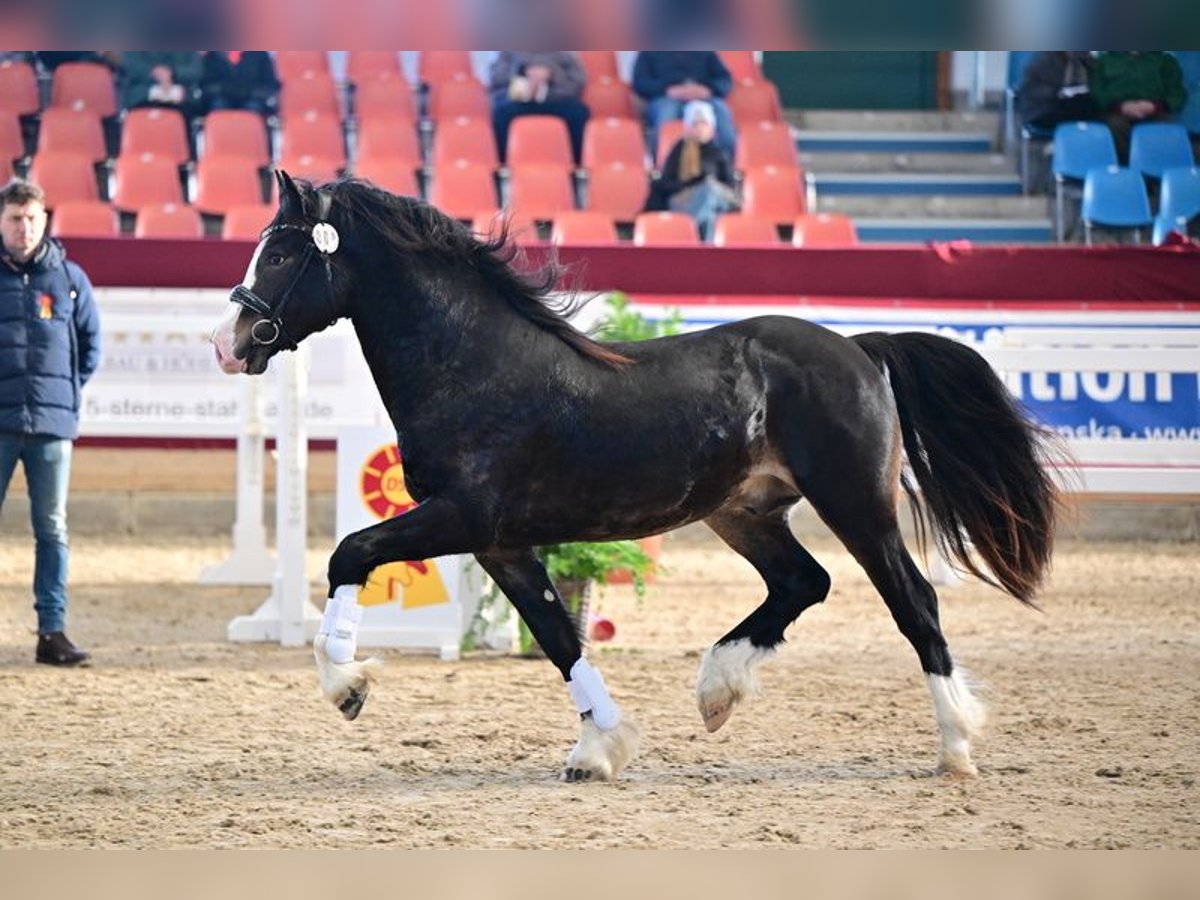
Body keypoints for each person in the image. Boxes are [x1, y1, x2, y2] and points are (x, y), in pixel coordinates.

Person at [0, 179, 101, 667]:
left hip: (51, 425)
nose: (24, 228)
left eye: (32, 219)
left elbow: (90, 348)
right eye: (15, 219)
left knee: (52, 529)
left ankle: (51, 633)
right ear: (2, 222)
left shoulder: (71, 280)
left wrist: (63, 397)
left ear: (45, 222)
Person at [645, 100, 738, 242]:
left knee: (710, 198)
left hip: (714, 200)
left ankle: (696, 239)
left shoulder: (718, 153)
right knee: (708, 213)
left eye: (704, 124)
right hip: (683, 201)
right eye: (695, 124)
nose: (700, 128)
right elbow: (665, 182)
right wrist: (689, 188)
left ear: (712, 128)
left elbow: (729, 187)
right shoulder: (679, 149)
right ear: (688, 127)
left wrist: (708, 186)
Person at [488, 51, 591, 165]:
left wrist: (550, 75)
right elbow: (496, 78)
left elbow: (577, 81)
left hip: (554, 99)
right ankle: (502, 167)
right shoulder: (507, 52)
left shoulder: (564, 53)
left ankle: (577, 167)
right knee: (501, 112)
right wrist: (524, 73)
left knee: (578, 112)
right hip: (519, 99)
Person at [632, 51, 737, 162]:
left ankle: (727, 164)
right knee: (666, 112)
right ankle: (663, 165)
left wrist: (708, 90)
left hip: (703, 97)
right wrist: (667, 90)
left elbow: (725, 80)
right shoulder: (648, 52)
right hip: (666, 98)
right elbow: (640, 83)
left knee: (721, 111)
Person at [1090, 51, 1188, 163]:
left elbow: (1177, 93)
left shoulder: (1165, 60)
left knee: (1166, 125)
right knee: (1115, 125)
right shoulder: (1105, 60)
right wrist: (1121, 107)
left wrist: (1154, 107)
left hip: (1155, 111)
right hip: (1117, 112)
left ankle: (1158, 169)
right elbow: (1097, 92)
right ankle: (1128, 167)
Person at [1017, 51, 1098, 133]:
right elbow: (1029, 89)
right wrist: (1056, 92)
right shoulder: (1042, 58)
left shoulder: (1079, 55)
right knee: (1084, 109)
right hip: (1040, 110)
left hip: (1065, 104)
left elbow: (1094, 71)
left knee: (1092, 105)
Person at [119, 51, 204, 118]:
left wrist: (172, 73)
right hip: (142, 96)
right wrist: (156, 73)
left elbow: (197, 70)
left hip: (181, 98)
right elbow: (131, 65)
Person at [200, 51, 280, 117]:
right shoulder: (212, 56)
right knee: (218, 108)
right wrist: (225, 89)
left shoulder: (260, 55)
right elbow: (205, 85)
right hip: (221, 98)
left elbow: (269, 85)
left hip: (252, 98)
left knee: (252, 110)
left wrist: (249, 91)